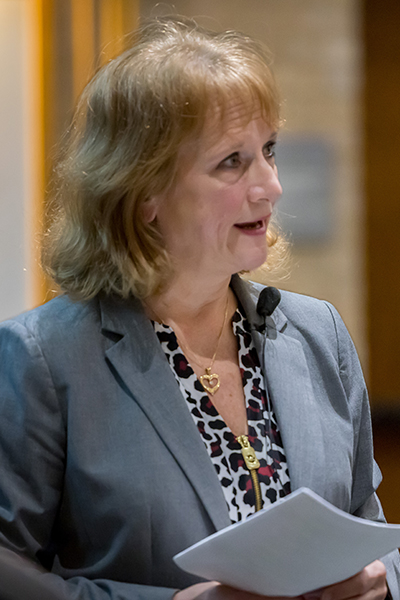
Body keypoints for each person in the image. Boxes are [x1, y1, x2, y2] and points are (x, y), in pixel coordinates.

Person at [0, 15, 398, 600]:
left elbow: (370, 527)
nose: (270, 185)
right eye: (231, 161)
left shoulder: (320, 333)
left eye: (268, 150)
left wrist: (380, 583)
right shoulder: (43, 358)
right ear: (143, 193)